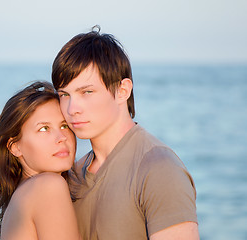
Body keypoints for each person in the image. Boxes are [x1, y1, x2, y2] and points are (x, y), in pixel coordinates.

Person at [52, 26, 199, 240]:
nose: (72, 108)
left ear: (123, 91)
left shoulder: (159, 168)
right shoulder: (72, 174)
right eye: (64, 94)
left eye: (87, 92)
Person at [0, 81, 80, 240]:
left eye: (64, 126)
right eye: (44, 129)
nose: (62, 138)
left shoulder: (23, 195)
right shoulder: (49, 186)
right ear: (15, 147)